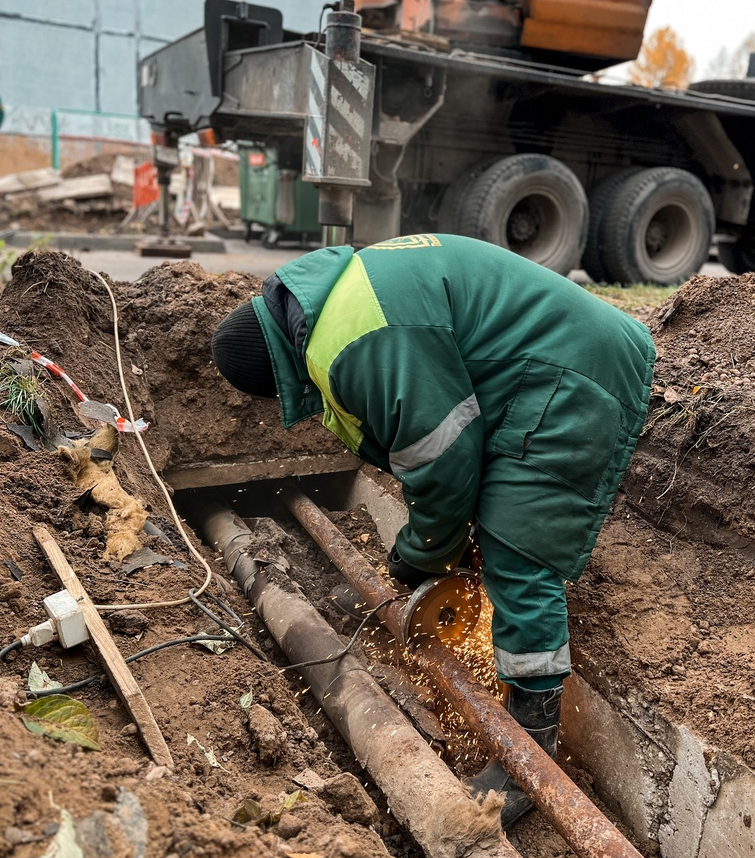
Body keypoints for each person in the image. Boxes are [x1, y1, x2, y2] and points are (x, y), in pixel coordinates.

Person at [211, 233, 655, 826]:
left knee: (518, 548)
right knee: (488, 526)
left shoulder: (355, 343)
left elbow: (443, 461)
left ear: (279, 369)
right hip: (539, 362)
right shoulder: (331, 303)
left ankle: (531, 746)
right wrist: (432, 549)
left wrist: (422, 552)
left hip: (573, 368)